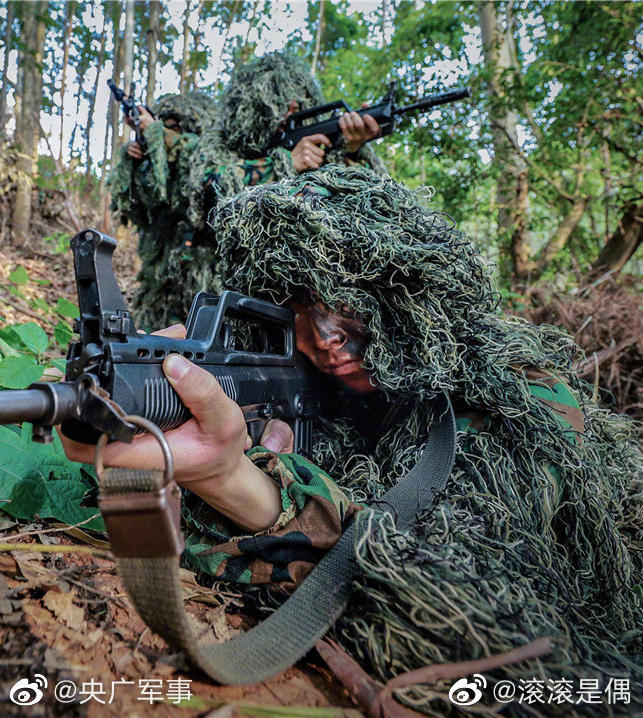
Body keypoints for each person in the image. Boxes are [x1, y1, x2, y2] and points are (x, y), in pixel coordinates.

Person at [63, 166, 643, 715]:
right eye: (302, 307)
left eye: (351, 310)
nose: (325, 340)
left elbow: (433, 592)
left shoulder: (523, 402)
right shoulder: (298, 370)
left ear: (413, 304)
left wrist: (232, 480)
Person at [188, 50, 387, 228]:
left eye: (296, 108)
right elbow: (207, 184)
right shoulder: (223, 140)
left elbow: (365, 204)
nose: (287, 116)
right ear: (253, 109)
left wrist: (351, 150)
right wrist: (285, 163)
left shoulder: (317, 143)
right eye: (279, 107)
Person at [106, 91, 217, 331]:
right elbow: (137, 209)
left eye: (174, 128)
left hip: (202, 278)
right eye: (165, 127)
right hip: (159, 279)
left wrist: (159, 135)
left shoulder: (208, 157)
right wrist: (134, 160)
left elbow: (199, 173)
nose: (168, 134)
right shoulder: (155, 164)